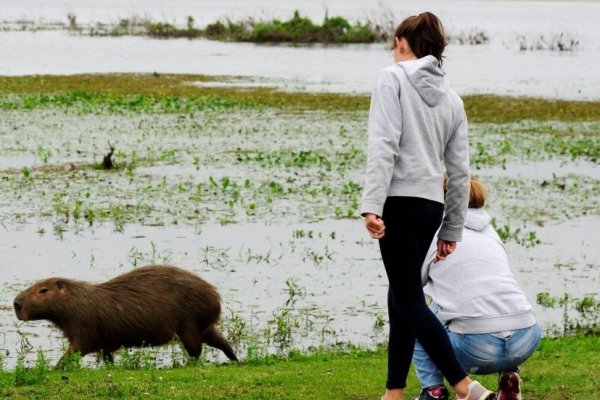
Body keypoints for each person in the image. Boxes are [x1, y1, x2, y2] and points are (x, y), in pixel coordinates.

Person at [360, 11, 497, 400]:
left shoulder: (392, 79)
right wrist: (452, 227)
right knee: (401, 294)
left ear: (405, 43)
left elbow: (383, 145)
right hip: (430, 208)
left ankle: (465, 385)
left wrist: (372, 204)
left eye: (395, 44)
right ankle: (394, 391)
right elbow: (459, 170)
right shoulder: (453, 99)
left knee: (407, 299)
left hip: (399, 201)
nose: (392, 51)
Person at [412, 176, 541, 400]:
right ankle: (509, 377)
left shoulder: (435, 233)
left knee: (416, 319)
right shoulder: (491, 232)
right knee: (495, 300)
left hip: (476, 348)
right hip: (527, 338)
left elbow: (412, 285)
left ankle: (433, 391)